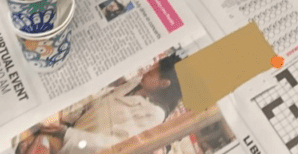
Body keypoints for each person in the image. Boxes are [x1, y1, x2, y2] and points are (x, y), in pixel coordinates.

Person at [14, 56, 182, 154]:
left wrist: (66, 134)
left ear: (164, 83)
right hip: (69, 129)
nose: (147, 71)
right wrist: (63, 119)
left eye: (153, 72)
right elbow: (96, 101)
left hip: (78, 146)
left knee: (36, 145)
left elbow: (115, 147)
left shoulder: (154, 114)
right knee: (26, 139)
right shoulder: (136, 84)